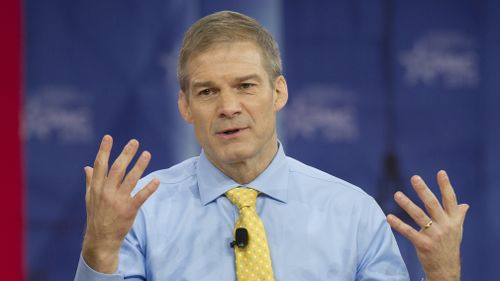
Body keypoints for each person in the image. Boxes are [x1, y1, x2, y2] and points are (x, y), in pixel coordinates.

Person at [74, 11, 469, 281]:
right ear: (185, 105)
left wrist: (442, 275)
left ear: (278, 92)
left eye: (246, 86)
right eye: (208, 91)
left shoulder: (352, 213)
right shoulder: (142, 212)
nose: (229, 107)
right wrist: (100, 251)